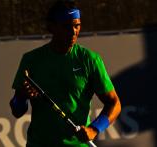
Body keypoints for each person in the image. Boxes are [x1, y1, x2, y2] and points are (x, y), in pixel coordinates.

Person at [10, 0, 121, 146]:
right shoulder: (31, 60)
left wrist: (94, 129)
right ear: (51, 27)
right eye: (66, 26)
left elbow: (114, 103)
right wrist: (21, 96)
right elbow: (17, 111)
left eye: (77, 25)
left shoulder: (90, 60)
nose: (73, 31)